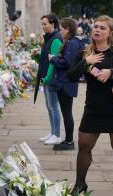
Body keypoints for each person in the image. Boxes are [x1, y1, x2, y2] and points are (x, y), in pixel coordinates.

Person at [68, 15, 113, 196]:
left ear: (110, 32)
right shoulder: (84, 52)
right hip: (94, 109)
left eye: (102, 28)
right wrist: (86, 62)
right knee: (84, 146)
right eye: (95, 26)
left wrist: (111, 72)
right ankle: (80, 183)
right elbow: (71, 76)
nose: (97, 30)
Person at [48, 17, 85, 150]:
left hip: (65, 83)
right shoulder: (72, 41)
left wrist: (53, 59)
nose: (60, 31)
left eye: (62, 29)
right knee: (66, 112)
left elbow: (67, 63)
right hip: (66, 82)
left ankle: (69, 142)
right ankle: (68, 140)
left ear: (68, 29)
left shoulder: (72, 43)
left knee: (67, 113)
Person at [32, 14, 63, 145]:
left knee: (54, 107)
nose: (43, 26)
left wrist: (48, 78)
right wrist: (37, 56)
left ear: (53, 24)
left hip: (51, 79)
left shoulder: (56, 40)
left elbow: (53, 62)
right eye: (42, 24)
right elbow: (45, 59)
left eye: (45, 24)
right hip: (46, 78)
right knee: (49, 106)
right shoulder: (48, 39)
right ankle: (52, 132)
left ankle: (57, 134)